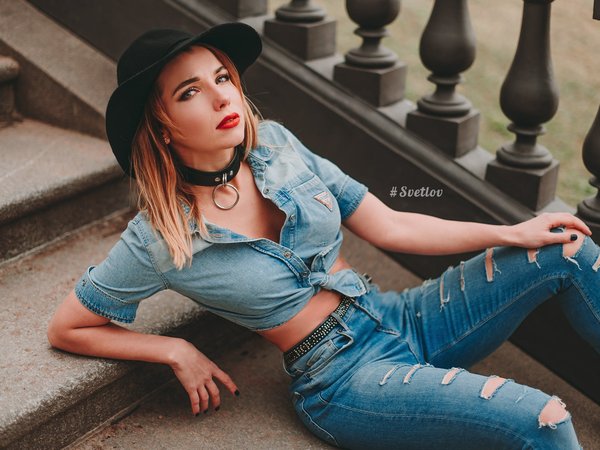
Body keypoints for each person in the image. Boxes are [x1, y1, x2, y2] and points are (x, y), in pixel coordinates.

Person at [46, 22, 597, 450]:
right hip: (344, 377)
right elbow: (69, 325)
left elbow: (393, 222)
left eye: (221, 78)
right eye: (190, 92)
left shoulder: (278, 147)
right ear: (161, 124)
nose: (222, 99)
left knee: (567, 249)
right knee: (543, 420)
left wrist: (513, 230)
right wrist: (171, 348)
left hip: (398, 314)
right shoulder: (159, 238)